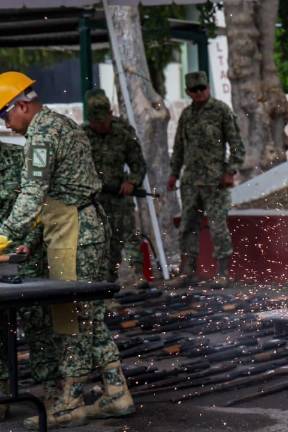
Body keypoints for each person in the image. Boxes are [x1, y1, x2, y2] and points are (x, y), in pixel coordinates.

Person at [0, 71, 133, 428]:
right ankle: (116, 392)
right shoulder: (59, 123)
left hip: (75, 229)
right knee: (86, 312)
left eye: (4, 114)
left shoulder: (42, 135)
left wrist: (3, 236)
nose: (5, 123)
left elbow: (31, 194)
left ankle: (69, 401)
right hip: (75, 224)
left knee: (71, 316)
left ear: (22, 105)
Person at [167, 71, 245, 289]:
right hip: (191, 181)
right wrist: (173, 173)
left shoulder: (221, 110)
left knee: (217, 226)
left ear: (208, 88)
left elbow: (237, 144)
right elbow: (179, 147)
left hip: (215, 181)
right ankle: (188, 271)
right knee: (187, 226)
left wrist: (231, 171)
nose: (200, 93)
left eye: (203, 88)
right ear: (188, 92)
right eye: (195, 90)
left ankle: (223, 273)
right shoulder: (186, 115)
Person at [0, 140, 58, 420]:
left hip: (26, 254)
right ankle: (2, 393)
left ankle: (51, 390)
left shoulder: (19, 156)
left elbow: (40, 203)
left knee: (38, 323)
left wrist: (30, 243)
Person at [83, 88, 149, 290]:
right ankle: (106, 284)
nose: (101, 126)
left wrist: (132, 182)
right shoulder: (82, 135)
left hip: (120, 197)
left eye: (104, 122)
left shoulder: (123, 132)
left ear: (111, 115)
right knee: (103, 243)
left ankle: (135, 277)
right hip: (94, 200)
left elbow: (138, 163)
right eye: (97, 123)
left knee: (129, 236)